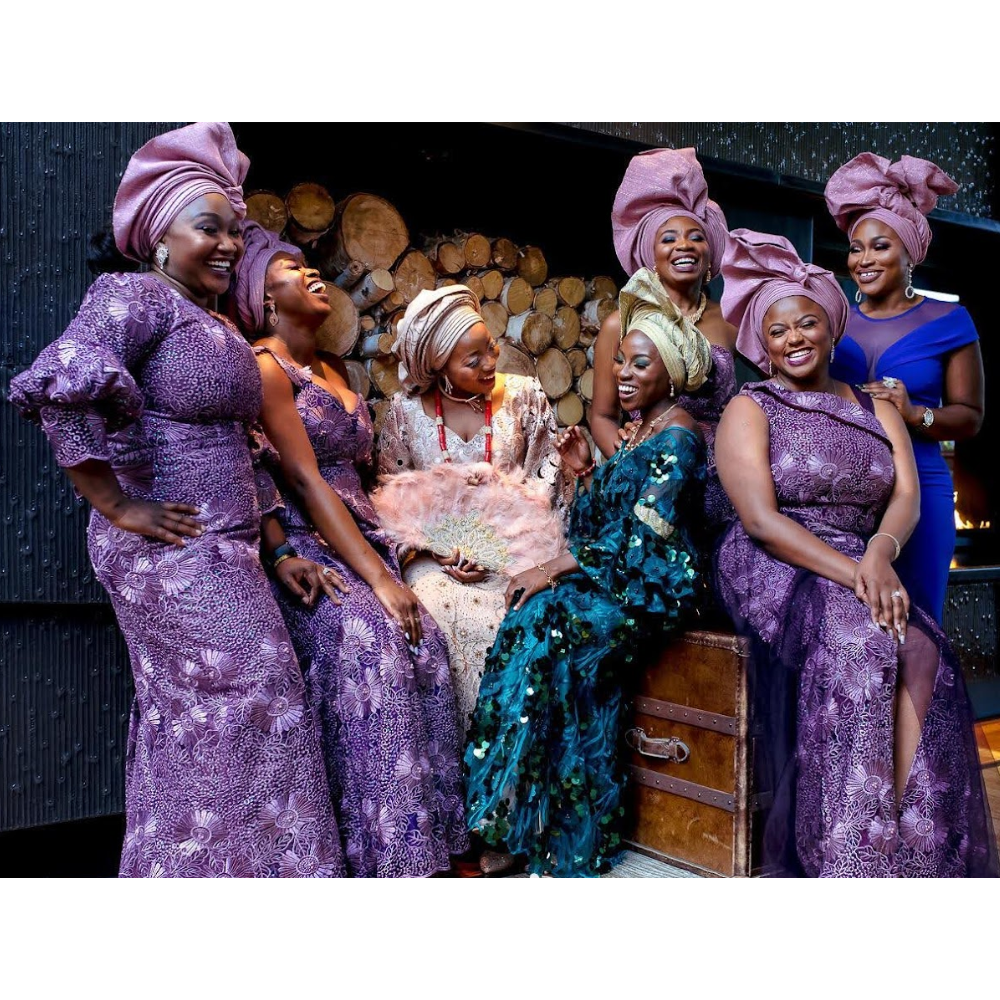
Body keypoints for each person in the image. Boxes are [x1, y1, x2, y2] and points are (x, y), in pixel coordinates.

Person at [8, 123, 345, 878]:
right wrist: (117, 506)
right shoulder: (134, 298)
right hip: (166, 551)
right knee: (249, 695)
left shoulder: (216, 322)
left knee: (220, 715)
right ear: (159, 234)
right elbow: (64, 381)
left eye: (236, 229)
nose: (229, 244)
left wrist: (279, 547)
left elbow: (241, 447)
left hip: (229, 549)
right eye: (209, 227)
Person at [714, 228, 996, 877]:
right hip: (777, 555)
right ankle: (848, 842)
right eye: (778, 331)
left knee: (926, 647)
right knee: (864, 641)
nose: (794, 339)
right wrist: (857, 574)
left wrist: (878, 557)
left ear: (830, 326)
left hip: (861, 550)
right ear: (764, 342)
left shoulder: (877, 403)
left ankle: (909, 834)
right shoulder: (751, 407)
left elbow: (906, 495)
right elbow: (759, 521)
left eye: (806, 323)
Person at [233, 223, 468, 877]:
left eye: (309, 263)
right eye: (286, 268)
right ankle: (384, 856)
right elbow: (306, 482)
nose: (308, 272)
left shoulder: (334, 370)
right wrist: (381, 583)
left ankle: (432, 842)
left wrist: (420, 548)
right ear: (260, 296)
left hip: (368, 536)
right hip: (310, 544)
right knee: (371, 639)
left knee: (429, 641)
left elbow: (365, 481)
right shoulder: (265, 368)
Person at [463, 269, 708, 877]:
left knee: (550, 626)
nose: (623, 376)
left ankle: (558, 830)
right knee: (531, 619)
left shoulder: (680, 440)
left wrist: (553, 567)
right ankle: (512, 818)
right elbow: (604, 518)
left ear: (671, 373)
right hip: (615, 572)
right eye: (621, 362)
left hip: (651, 588)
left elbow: (642, 539)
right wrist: (586, 471)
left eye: (640, 366)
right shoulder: (638, 430)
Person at [374, 285, 570, 740]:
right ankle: (450, 756)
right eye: (472, 359)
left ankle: (507, 756)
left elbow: (548, 480)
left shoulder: (524, 395)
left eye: (491, 347)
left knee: (521, 622)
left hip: (519, 557)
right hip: (432, 563)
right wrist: (431, 551)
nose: (490, 362)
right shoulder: (405, 412)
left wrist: (507, 551)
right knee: (438, 617)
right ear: (438, 364)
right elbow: (390, 500)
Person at [825, 153, 985, 623]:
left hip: (922, 492)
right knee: (853, 628)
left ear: (910, 252)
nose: (864, 260)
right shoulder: (833, 318)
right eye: (856, 249)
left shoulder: (950, 320)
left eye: (879, 246)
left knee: (918, 629)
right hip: (845, 492)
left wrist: (915, 413)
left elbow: (971, 416)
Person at [594, 147, 737, 534]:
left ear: (710, 256)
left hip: (723, 482)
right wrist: (634, 461)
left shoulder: (730, 322)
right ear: (650, 256)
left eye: (696, 237)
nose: (684, 246)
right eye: (668, 238)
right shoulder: (617, 325)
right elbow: (603, 416)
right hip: (650, 480)